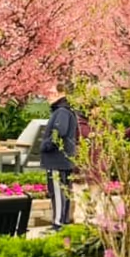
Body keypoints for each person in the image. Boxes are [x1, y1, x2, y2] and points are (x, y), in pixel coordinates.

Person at [37, 89, 81, 229]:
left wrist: (46, 145)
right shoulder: (67, 111)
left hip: (57, 160)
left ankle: (58, 223)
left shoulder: (61, 112)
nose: (47, 96)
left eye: (50, 93)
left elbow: (59, 132)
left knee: (57, 191)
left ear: (59, 93)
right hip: (63, 160)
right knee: (63, 191)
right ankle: (63, 220)